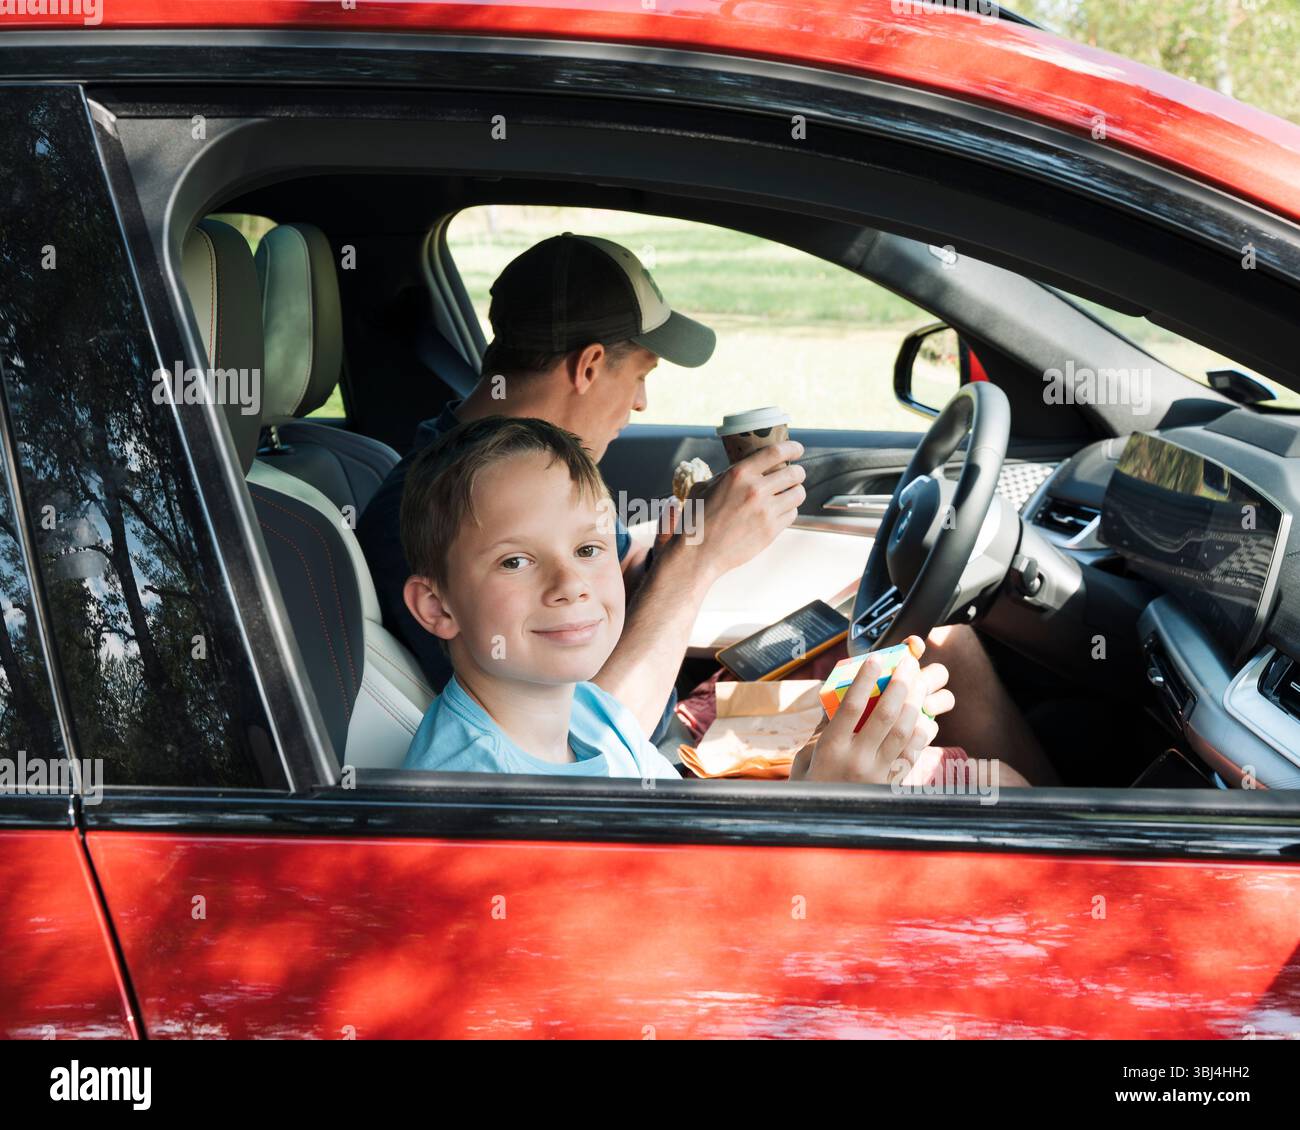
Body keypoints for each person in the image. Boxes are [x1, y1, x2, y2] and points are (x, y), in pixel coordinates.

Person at [360, 231, 1057, 783]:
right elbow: (569, 757)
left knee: (936, 641)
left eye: (588, 548)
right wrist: (697, 561)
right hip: (663, 752)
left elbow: (581, 720)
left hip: (639, 744)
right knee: (997, 787)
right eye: (641, 377)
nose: (641, 405)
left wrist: (669, 551)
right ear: (590, 365)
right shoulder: (424, 516)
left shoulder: (500, 476)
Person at [398, 415, 1011, 786]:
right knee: (999, 789)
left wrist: (812, 768)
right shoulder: (475, 797)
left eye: (589, 549)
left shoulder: (590, 714)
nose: (571, 584)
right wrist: (826, 804)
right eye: (516, 561)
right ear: (436, 608)